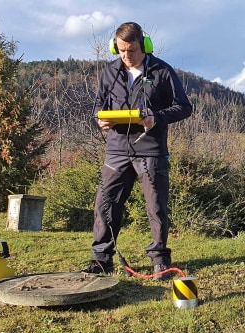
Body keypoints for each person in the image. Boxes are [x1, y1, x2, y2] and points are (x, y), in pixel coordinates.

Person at [82, 22, 192, 280]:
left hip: (151, 150)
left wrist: (156, 117)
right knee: (105, 203)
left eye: (131, 50)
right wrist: (100, 120)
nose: (126, 56)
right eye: (120, 50)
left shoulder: (163, 71)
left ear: (144, 46)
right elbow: (98, 105)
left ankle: (160, 261)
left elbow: (184, 107)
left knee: (156, 207)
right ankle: (101, 260)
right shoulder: (109, 72)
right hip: (117, 150)